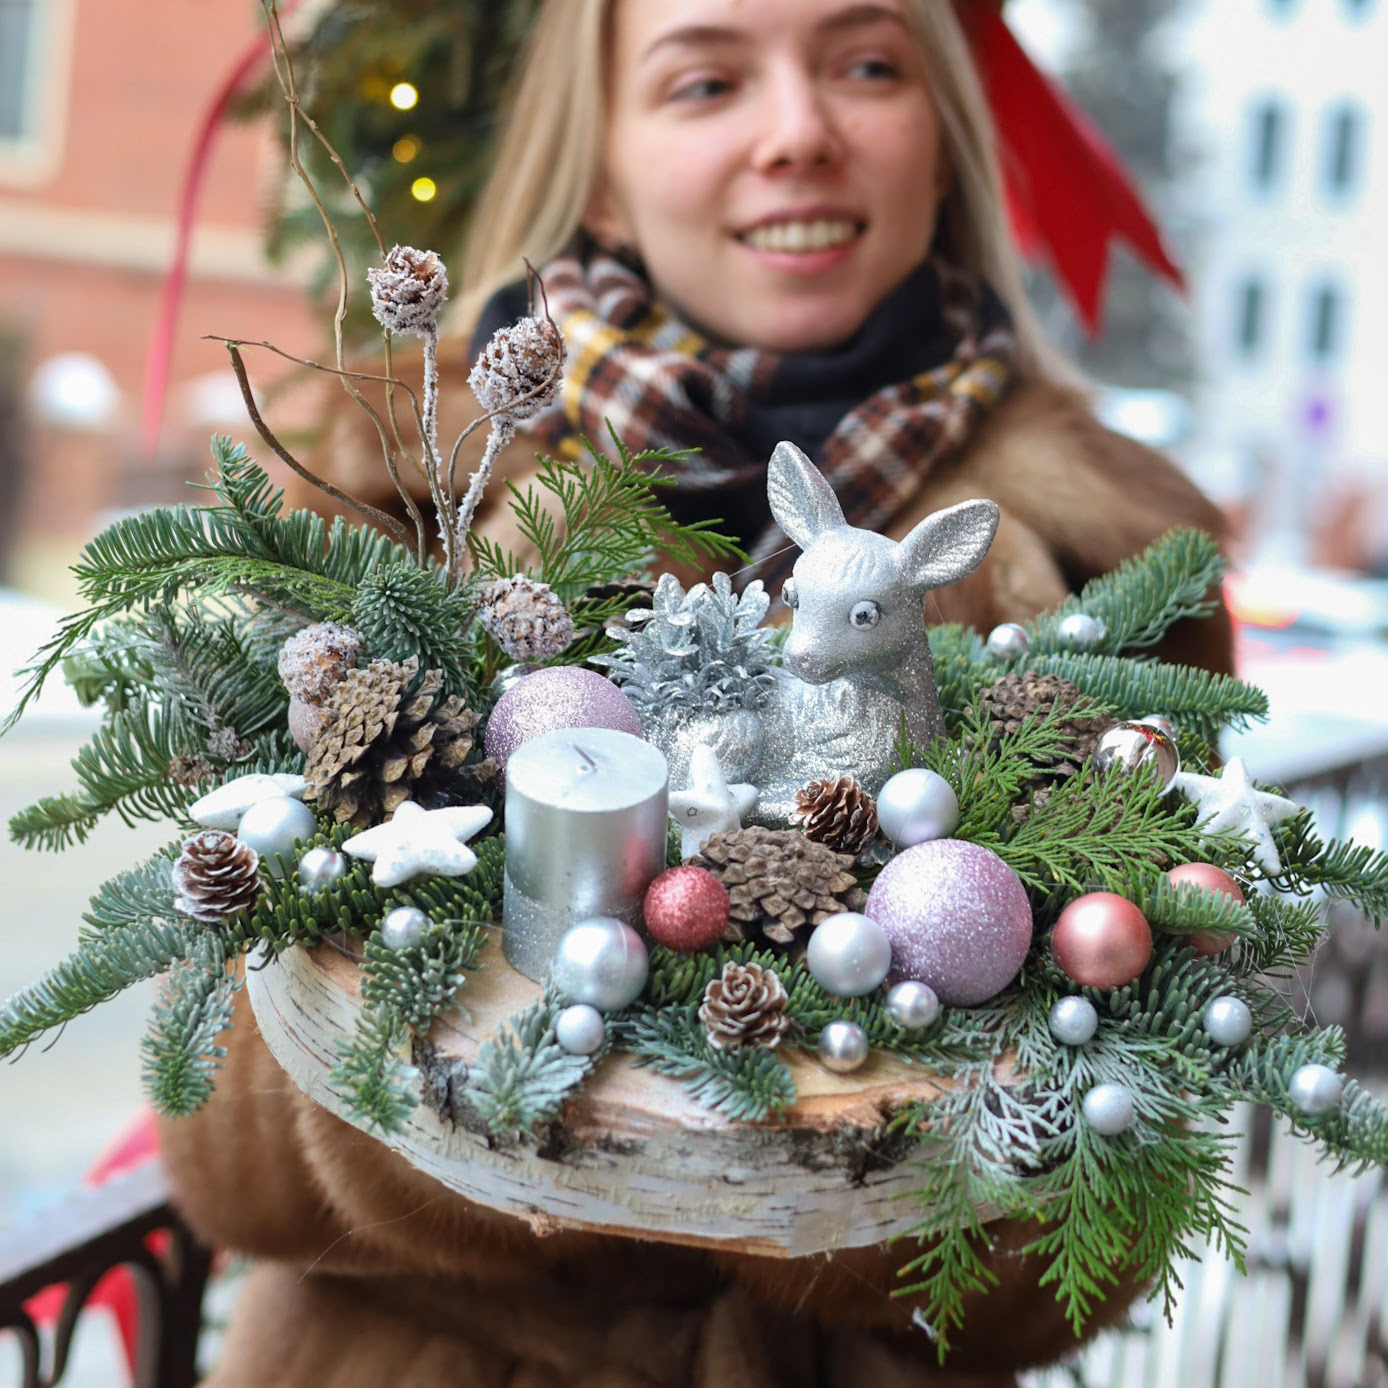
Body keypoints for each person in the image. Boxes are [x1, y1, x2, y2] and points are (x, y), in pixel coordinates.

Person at [161, 2, 1234, 1385]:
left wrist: (802, 1183)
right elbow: (225, 1145)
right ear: (604, 157)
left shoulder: (1123, 564)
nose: (799, 134)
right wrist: (540, 1135)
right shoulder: (389, 480)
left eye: (864, 65)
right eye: (707, 79)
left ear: (943, 139)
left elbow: (1103, 1230)